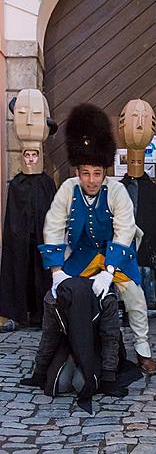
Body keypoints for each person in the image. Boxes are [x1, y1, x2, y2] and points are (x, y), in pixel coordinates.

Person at [38, 103, 156, 375]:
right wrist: (57, 272)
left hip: (115, 256)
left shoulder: (116, 192)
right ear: (77, 172)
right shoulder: (67, 190)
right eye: (85, 173)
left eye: (97, 173)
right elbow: (53, 227)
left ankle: (142, 348)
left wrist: (109, 272)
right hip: (82, 255)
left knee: (135, 296)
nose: (91, 180)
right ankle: (60, 347)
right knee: (58, 296)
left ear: (105, 171)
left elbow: (125, 231)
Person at [20, 276, 142, 413]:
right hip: (68, 344)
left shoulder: (105, 299)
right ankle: (71, 363)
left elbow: (110, 339)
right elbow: (49, 336)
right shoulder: (54, 299)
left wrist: (108, 376)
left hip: (96, 345)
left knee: (81, 384)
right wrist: (40, 372)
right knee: (59, 384)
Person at [0, 90, 57, 331]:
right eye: (23, 114)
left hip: (42, 232)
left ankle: (44, 312)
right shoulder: (18, 184)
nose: (31, 159)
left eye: (35, 155)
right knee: (17, 259)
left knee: (42, 263)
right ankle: (15, 312)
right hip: (21, 232)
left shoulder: (46, 184)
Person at [119, 99, 156, 307]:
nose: (140, 125)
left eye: (144, 120)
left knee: (143, 259)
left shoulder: (149, 190)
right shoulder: (119, 188)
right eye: (135, 119)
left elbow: (154, 228)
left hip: (141, 253)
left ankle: (141, 300)